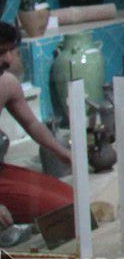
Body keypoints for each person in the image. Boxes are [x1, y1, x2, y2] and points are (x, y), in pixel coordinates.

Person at [0, 23, 74, 225]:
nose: (7, 59)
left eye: (10, 51)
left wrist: (60, 152)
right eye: (1, 52)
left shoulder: (7, 84)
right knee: (59, 212)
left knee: (71, 200)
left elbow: (32, 124)